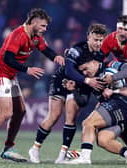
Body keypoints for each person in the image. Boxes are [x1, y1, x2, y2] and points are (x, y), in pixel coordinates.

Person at [0, 8, 64, 162]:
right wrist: (27, 69)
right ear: (33, 23)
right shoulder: (17, 35)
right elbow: (7, 58)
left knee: (21, 111)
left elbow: (45, 49)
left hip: (10, 76)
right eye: (43, 26)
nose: (45, 29)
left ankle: (8, 148)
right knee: (5, 113)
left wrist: (56, 56)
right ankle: (8, 147)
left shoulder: (36, 36)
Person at [28, 23, 107, 163]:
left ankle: (62, 155)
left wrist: (85, 85)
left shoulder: (101, 55)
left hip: (78, 84)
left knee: (71, 117)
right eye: (96, 39)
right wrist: (87, 81)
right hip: (61, 80)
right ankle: (34, 149)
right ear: (88, 37)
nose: (98, 43)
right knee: (54, 115)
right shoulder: (77, 50)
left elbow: (94, 78)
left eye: (101, 40)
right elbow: (69, 70)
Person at [61, 57, 127, 164]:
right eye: (82, 71)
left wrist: (113, 77)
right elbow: (82, 102)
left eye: (86, 68)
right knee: (103, 140)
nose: (85, 72)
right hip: (118, 114)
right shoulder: (88, 81)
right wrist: (73, 90)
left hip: (120, 104)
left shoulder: (109, 65)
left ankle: (84, 158)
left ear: (93, 62)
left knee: (88, 123)